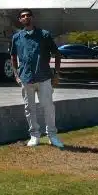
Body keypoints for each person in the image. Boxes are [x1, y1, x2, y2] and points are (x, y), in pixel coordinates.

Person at [9, 9, 64, 148]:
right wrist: (16, 74)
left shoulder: (44, 35)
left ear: (32, 18)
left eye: (28, 15)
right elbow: (13, 56)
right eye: (23, 16)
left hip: (44, 77)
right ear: (20, 20)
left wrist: (56, 74)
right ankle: (34, 136)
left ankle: (52, 135)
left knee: (48, 107)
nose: (25, 17)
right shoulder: (17, 37)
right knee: (29, 108)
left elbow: (57, 54)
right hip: (26, 79)